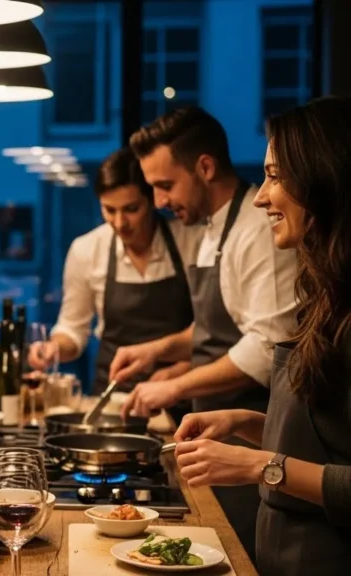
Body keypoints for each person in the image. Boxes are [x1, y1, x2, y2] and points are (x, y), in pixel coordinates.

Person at [172, 96, 351, 575]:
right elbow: (331, 440)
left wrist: (260, 465)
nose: (260, 196)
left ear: (322, 179)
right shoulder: (326, 295)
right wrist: (245, 422)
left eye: (276, 176)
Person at [110, 107, 298, 561]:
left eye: (164, 185)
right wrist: (154, 351)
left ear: (205, 167)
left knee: (242, 555)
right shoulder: (214, 229)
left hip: (252, 444)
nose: (158, 201)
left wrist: (172, 385)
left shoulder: (258, 231)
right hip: (217, 432)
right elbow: (217, 323)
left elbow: (264, 347)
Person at [27, 147, 202, 395]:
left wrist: (183, 369)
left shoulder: (190, 242)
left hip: (182, 391)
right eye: (109, 210)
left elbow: (211, 332)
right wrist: (53, 348)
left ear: (152, 200)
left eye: (131, 209)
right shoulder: (86, 249)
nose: (120, 223)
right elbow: (73, 329)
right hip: (112, 396)